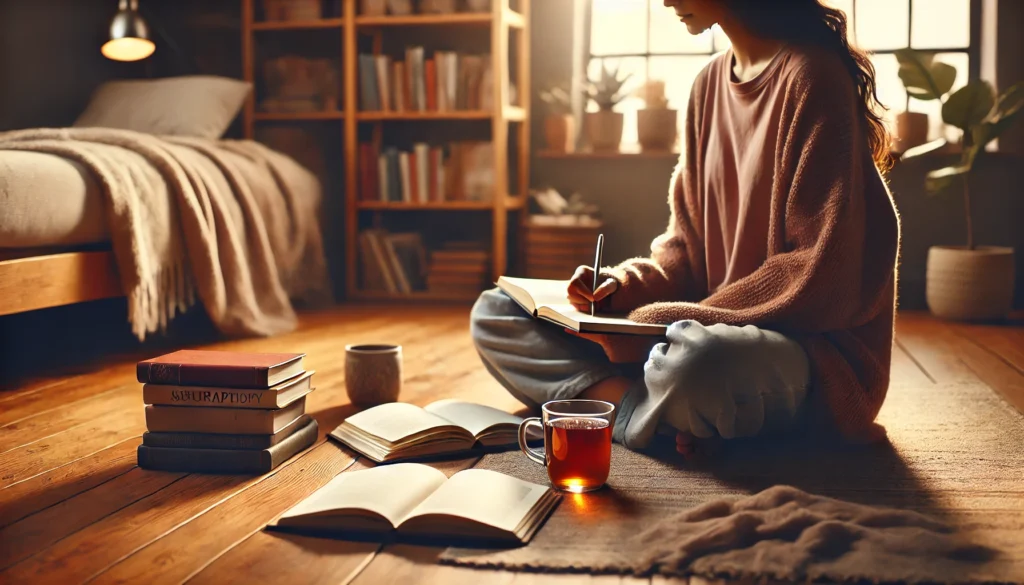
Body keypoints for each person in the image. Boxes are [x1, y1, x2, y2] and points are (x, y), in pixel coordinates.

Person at [471, 0, 900, 457]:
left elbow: (820, 275)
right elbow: (685, 250)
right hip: (700, 327)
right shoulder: (707, 85)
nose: (666, 1)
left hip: (809, 353)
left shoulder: (814, 76)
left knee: (697, 364)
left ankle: (630, 404)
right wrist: (621, 288)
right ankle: (646, 412)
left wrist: (656, 325)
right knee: (496, 312)